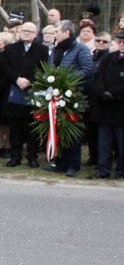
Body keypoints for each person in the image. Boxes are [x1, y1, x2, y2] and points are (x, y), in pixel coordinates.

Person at [46, 20, 93, 176]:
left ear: (67, 33)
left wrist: (67, 80)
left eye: (57, 31)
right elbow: (49, 68)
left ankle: (73, 164)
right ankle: (60, 162)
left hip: (73, 95)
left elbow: (87, 69)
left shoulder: (81, 49)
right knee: (58, 129)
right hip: (56, 94)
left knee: (72, 131)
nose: (54, 34)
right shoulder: (55, 50)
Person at [1, 22, 49, 167]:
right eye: (24, 30)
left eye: (30, 31)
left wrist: (30, 81)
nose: (26, 33)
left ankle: (32, 157)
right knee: (14, 128)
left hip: (32, 92)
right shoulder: (10, 49)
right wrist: (17, 79)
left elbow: (43, 69)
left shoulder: (42, 50)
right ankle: (15, 156)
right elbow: (5, 67)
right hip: (14, 91)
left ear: (35, 34)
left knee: (32, 128)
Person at [90, 30, 124, 179]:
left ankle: (121, 171)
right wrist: (102, 92)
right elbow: (98, 77)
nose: (122, 44)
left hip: (120, 108)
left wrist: (113, 93)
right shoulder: (108, 58)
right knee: (104, 143)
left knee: (122, 144)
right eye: (120, 41)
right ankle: (103, 170)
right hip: (104, 107)